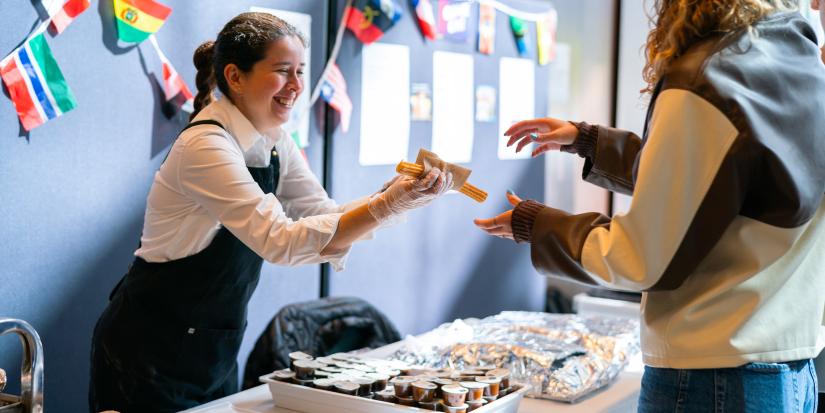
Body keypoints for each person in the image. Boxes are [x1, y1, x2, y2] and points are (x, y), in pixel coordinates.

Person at [89, 12, 452, 412]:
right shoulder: (206, 146)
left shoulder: (276, 141)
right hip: (147, 352)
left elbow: (324, 213)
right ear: (235, 76)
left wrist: (396, 199)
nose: (297, 85)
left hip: (213, 349)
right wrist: (385, 206)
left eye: (300, 71)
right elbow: (280, 240)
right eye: (282, 71)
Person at [476, 0, 824, 411]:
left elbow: (640, 257)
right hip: (789, 367)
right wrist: (590, 142)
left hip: (715, 376)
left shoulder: (707, 79)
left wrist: (538, 226)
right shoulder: (794, 57)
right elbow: (719, 181)